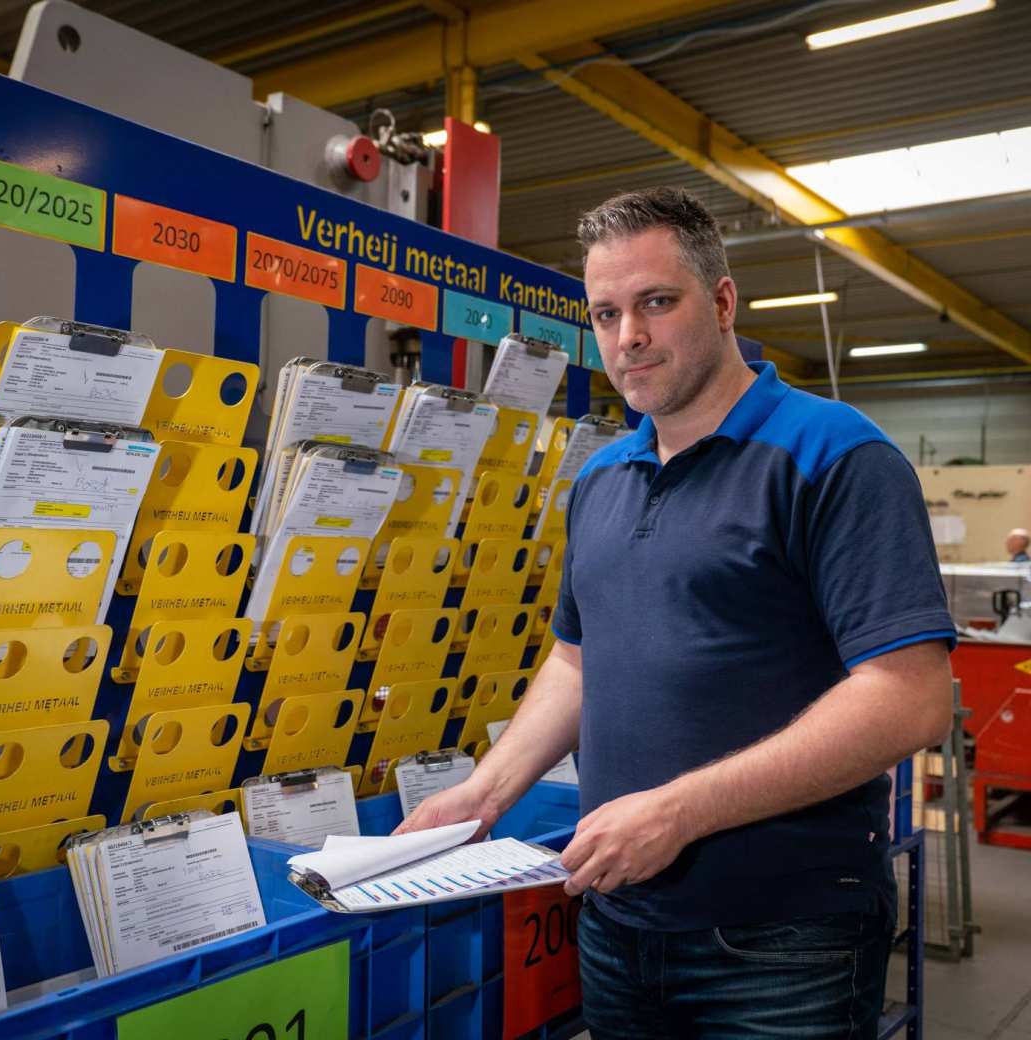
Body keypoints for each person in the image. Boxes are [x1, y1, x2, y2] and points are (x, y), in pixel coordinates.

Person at [396, 187, 955, 1038]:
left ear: (724, 301)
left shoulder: (836, 455)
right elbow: (576, 660)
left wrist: (678, 812)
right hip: (620, 923)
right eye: (607, 312)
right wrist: (482, 793)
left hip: (785, 942)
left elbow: (909, 697)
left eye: (657, 302)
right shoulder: (599, 480)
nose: (630, 337)